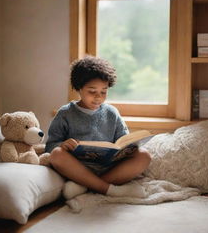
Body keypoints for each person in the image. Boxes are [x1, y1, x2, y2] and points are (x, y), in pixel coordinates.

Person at [45, 55, 151, 199]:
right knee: (57, 154)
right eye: (92, 91)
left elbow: (123, 141)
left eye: (103, 92)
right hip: (77, 168)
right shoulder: (65, 113)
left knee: (144, 156)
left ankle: (86, 186)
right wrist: (63, 145)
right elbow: (50, 148)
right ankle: (109, 189)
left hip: (109, 169)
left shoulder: (112, 113)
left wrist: (129, 147)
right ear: (79, 88)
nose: (98, 97)